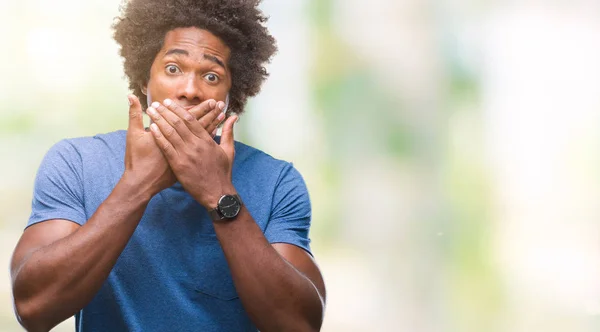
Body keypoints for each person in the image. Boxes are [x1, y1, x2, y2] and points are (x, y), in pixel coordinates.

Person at [10, 0, 326, 331]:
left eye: (211, 75)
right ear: (144, 81)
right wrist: (137, 185)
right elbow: (34, 308)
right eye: (173, 69)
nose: (189, 90)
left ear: (233, 95)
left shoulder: (277, 181)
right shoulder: (76, 163)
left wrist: (218, 193)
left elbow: (299, 324)